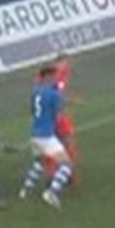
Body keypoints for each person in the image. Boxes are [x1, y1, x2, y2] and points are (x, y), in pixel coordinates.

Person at [18, 63, 74, 208]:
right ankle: (52, 192)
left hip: (34, 134)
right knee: (67, 164)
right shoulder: (53, 93)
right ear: (48, 76)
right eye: (54, 75)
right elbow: (59, 115)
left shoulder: (35, 92)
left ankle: (25, 190)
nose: (56, 78)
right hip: (46, 136)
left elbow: (33, 111)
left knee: (40, 162)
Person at [37, 52, 80, 189]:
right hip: (57, 116)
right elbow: (57, 96)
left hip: (45, 117)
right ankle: (66, 175)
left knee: (53, 145)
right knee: (68, 142)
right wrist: (72, 101)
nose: (68, 66)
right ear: (59, 62)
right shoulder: (59, 75)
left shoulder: (43, 76)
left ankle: (53, 175)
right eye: (66, 63)